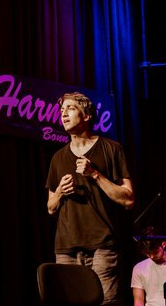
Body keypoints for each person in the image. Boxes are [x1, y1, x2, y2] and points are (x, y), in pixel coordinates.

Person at [45, 92, 135, 305]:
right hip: (66, 248)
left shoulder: (111, 149)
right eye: (61, 110)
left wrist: (95, 174)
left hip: (102, 245)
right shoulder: (58, 158)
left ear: (86, 116)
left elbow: (129, 199)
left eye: (70, 108)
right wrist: (59, 192)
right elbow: (50, 207)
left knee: (106, 302)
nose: (63, 114)